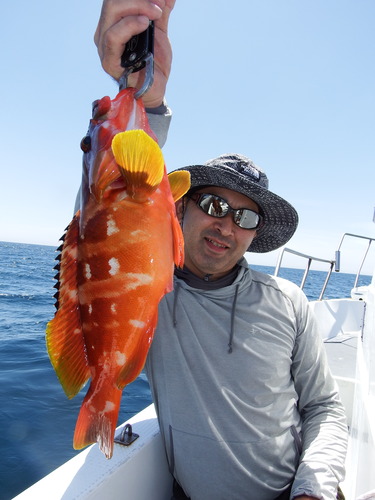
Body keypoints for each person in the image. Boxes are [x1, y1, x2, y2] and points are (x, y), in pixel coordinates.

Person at [93, 2, 348, 499]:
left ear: (255, 233)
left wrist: (313, 488)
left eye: (246, 216)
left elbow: (325, 407)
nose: (226, 225)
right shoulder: (152, 293)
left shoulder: (288, 302)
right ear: (180, 207)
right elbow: (120, 196)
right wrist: (147, 98)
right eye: (213, 203)